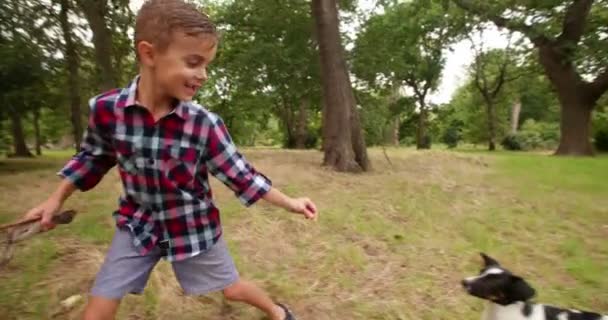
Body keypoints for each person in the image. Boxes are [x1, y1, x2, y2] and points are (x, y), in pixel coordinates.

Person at [24, 1, 318, 319]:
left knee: (232, 289)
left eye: (207, 65)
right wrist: (55, 199)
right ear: (149, 54)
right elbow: (92, 158)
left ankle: (276, 312)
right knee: (95, 312)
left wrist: (291, 202)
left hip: (192, 228)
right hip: (138, 227)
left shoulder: (204, 124)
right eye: (193, 63)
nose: (203, 75)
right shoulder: (107, 110)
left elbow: (242, 175)